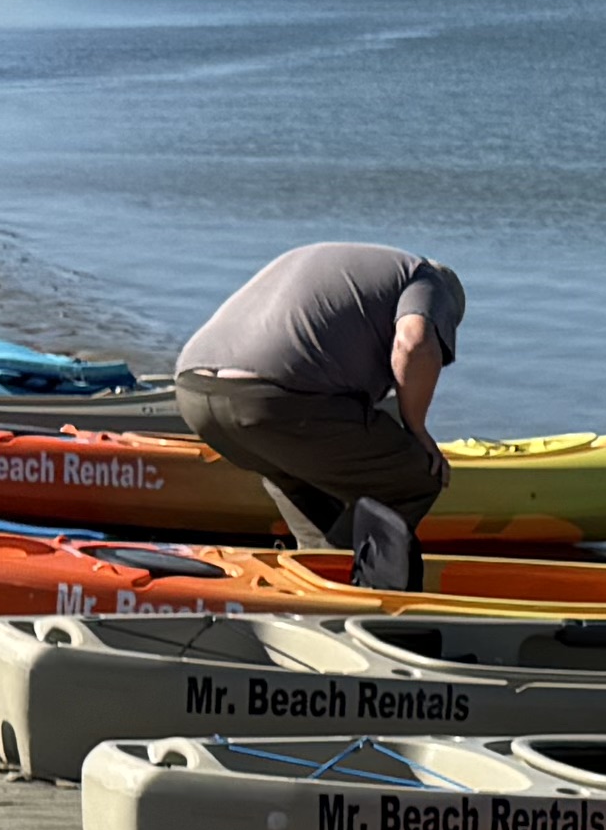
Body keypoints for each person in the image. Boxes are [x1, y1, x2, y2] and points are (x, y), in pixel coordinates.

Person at [172, 242, 466, 589]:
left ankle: (312, 575)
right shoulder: (429, 280)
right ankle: (351, 583)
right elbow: (414, 343)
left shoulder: (355, 268)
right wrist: (416, 429)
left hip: (192, 392)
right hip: (273, 401)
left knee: (306, 486)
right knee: (416, 475)